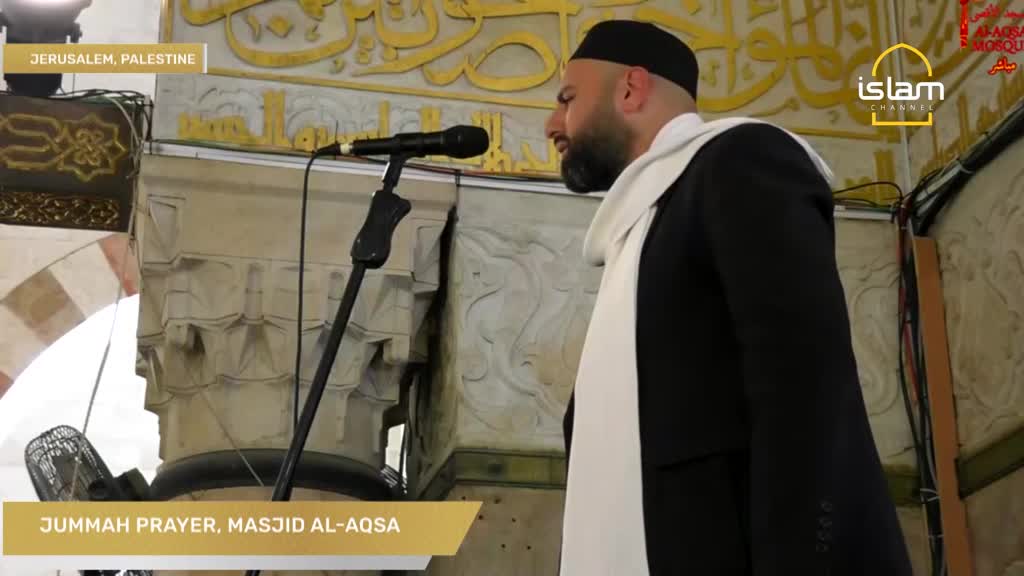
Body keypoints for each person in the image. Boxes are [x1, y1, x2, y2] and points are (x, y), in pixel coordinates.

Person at [546, 19, 914, 576]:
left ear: (631, 89)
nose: (553, 124)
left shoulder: (740, 160)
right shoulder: (638, 232)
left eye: (568, 99)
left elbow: (802, 382)